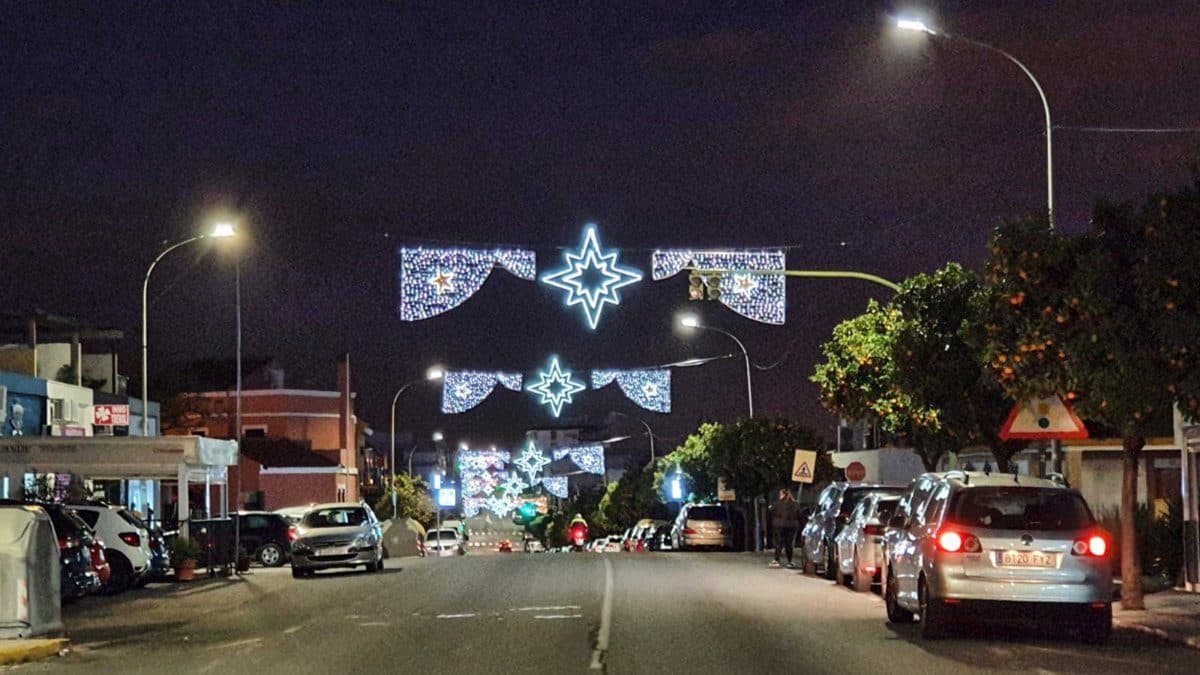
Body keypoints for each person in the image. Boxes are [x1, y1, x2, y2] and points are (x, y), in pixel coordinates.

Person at [768, 488, 802, 568]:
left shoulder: (777, 504)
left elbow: (771, 512)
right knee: (789, 544)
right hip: (792, 526)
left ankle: (777, 560)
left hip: (779, 526)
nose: (779, 496)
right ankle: (789, 561)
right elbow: (799, 515)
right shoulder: (795, 504)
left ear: (783, 494)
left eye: (780, 494)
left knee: (778, 543)